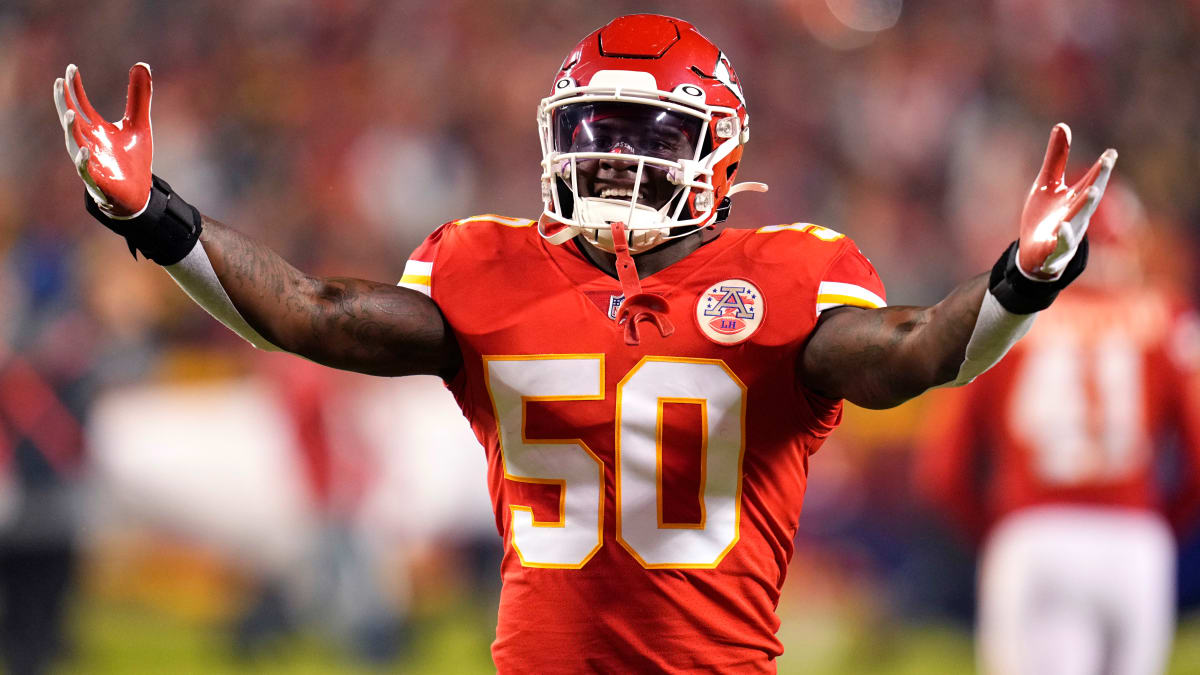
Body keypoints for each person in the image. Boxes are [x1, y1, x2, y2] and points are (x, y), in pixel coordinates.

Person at [52, 13, 1116, 673]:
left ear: (722, 150)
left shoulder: (782, 275)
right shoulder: (491, 265)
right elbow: (315, 316)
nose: (612, 157)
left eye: (648, 135)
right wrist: (156, 217)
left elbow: (919, 354)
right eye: (595, 130)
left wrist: (1023, 279)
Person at [916, 181, 1200, 675]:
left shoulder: (1005, 321)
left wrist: (1003, 529)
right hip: (1136, 546)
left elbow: (942, 473)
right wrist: (1158, 522)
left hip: (1034, 536)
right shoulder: (1167, 319)